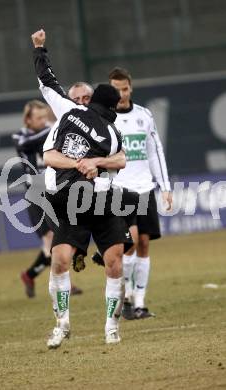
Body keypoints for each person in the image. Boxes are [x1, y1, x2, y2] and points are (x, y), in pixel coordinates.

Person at [31, 29, 132, 348]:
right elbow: (49, 156)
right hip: (69, 202)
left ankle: (111, 327)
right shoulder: (72, 116)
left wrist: (40, 48)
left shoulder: (101, 128)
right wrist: (82, 164)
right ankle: (62, 324)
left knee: (114, 259)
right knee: (62, 259)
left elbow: (120, 160)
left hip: (100, 200)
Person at [93, 67, 172, 320]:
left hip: (145, 187)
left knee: (145, 244)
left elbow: (154, 151)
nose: (121, 94)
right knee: (131, 242)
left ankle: (138, 302)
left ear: (131, 88)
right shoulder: (104, 119)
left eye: (125, 89)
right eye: (116, 90)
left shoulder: (144, 115)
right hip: (120, 190)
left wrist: (165, 187)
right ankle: (124, 297)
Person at [12, 100, 83, 298]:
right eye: (39, 118)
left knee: (63, 241)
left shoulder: (51, 131)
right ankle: (64, 285)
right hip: (35, 195)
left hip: (55, 192)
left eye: (45, 117)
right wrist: (59, 124)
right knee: (51, 242)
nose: (43, 121)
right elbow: (28, 143)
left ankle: (29, 274)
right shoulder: (20, 136)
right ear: (28, 119)